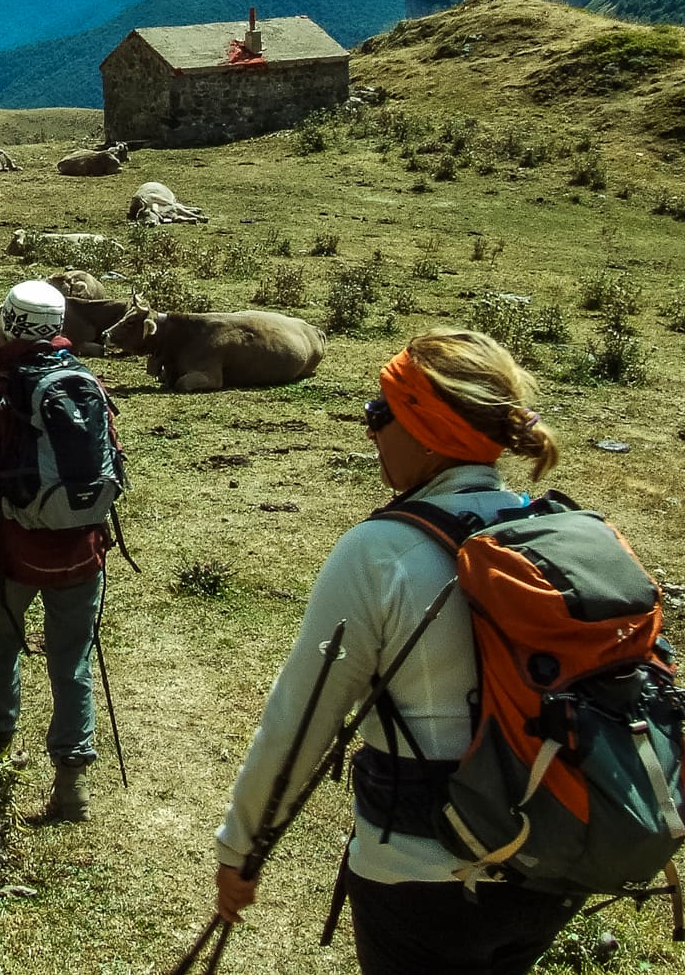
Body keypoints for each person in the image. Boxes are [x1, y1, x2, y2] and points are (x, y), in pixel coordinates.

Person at [209, 329, 577, 974]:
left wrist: (242, 850)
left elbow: (299, 722)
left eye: (382, 411)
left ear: (428, 432)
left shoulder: (381, 552)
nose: (370, 426)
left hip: (422, 874)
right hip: (551, 865)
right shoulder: (551, 533)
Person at [0, 279, 124, 822]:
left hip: (15, 553)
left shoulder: (0, 392)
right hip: (83, 550)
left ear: (11, 325)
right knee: (72, 660)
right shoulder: (88, 383)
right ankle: (72, 786)